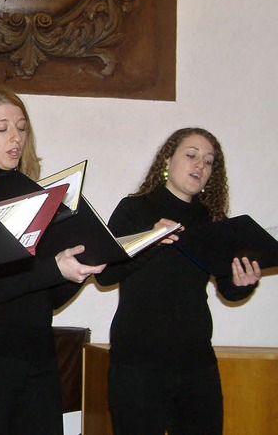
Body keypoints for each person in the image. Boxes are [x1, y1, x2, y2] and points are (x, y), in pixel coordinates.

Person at [0, 88, 106, 435]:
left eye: (21, 127)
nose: (15, 137)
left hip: (40, 360)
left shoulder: (38, 196)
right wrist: (52, 269)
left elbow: (46, 297)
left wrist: (77, 271)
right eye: (2, 129)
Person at [95, 127, 262, 435]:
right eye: (191, 155)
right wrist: (150, 240)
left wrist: (244, 281)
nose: (200, 165)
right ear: (168, 160)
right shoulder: (135, 208)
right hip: (138, 360)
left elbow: (228, 289)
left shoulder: (211, 221)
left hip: (196, 360)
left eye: (209, 161)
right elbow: (105, 274)